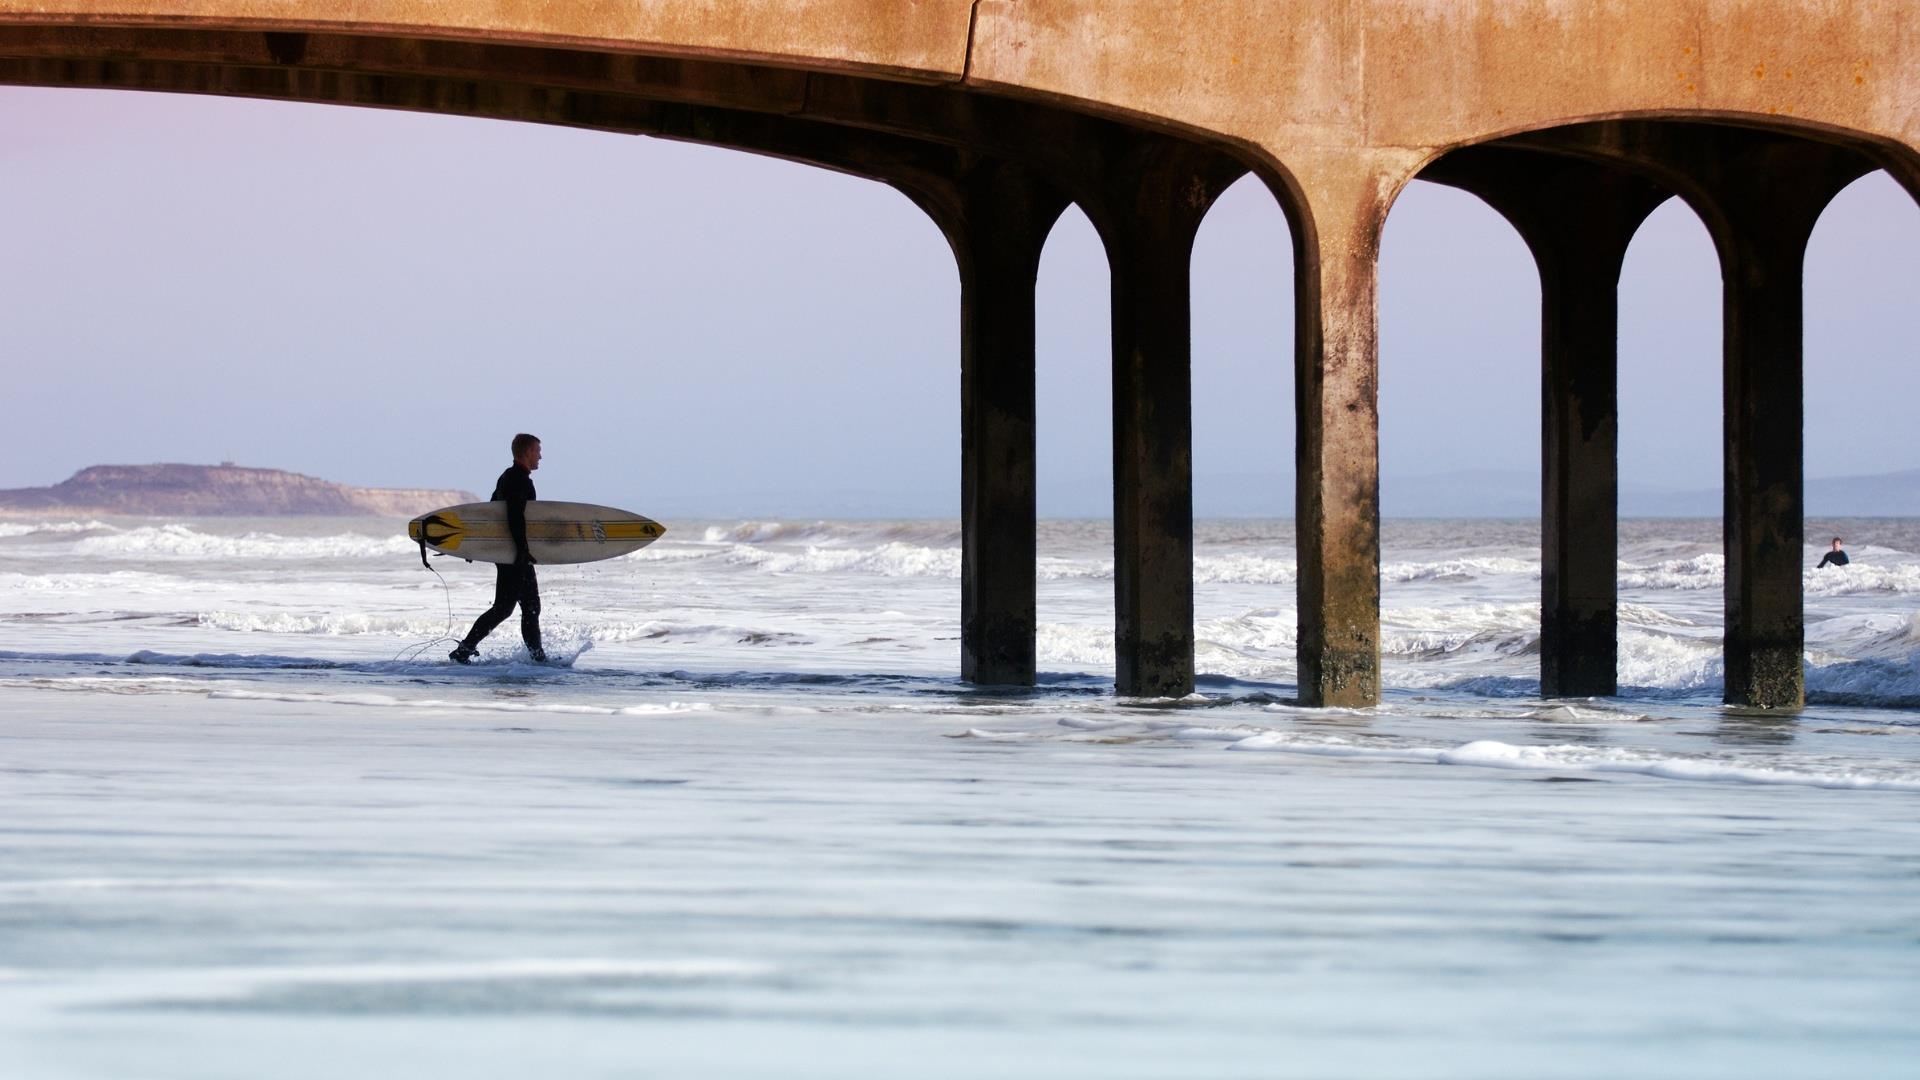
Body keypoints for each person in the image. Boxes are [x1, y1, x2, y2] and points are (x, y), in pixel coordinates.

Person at [450, 434, 547, 663]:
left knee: (526, 607)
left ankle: (537, 658)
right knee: (512, 608)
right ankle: (464, 650)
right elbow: (514, 517)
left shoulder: (508, 476)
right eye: (537, 451)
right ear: (526, 453)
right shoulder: (518, 481)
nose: (540, 456)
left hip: (511, 551)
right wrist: (521, 551)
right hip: (514, 553)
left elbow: (492, 513)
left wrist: (476, 545)